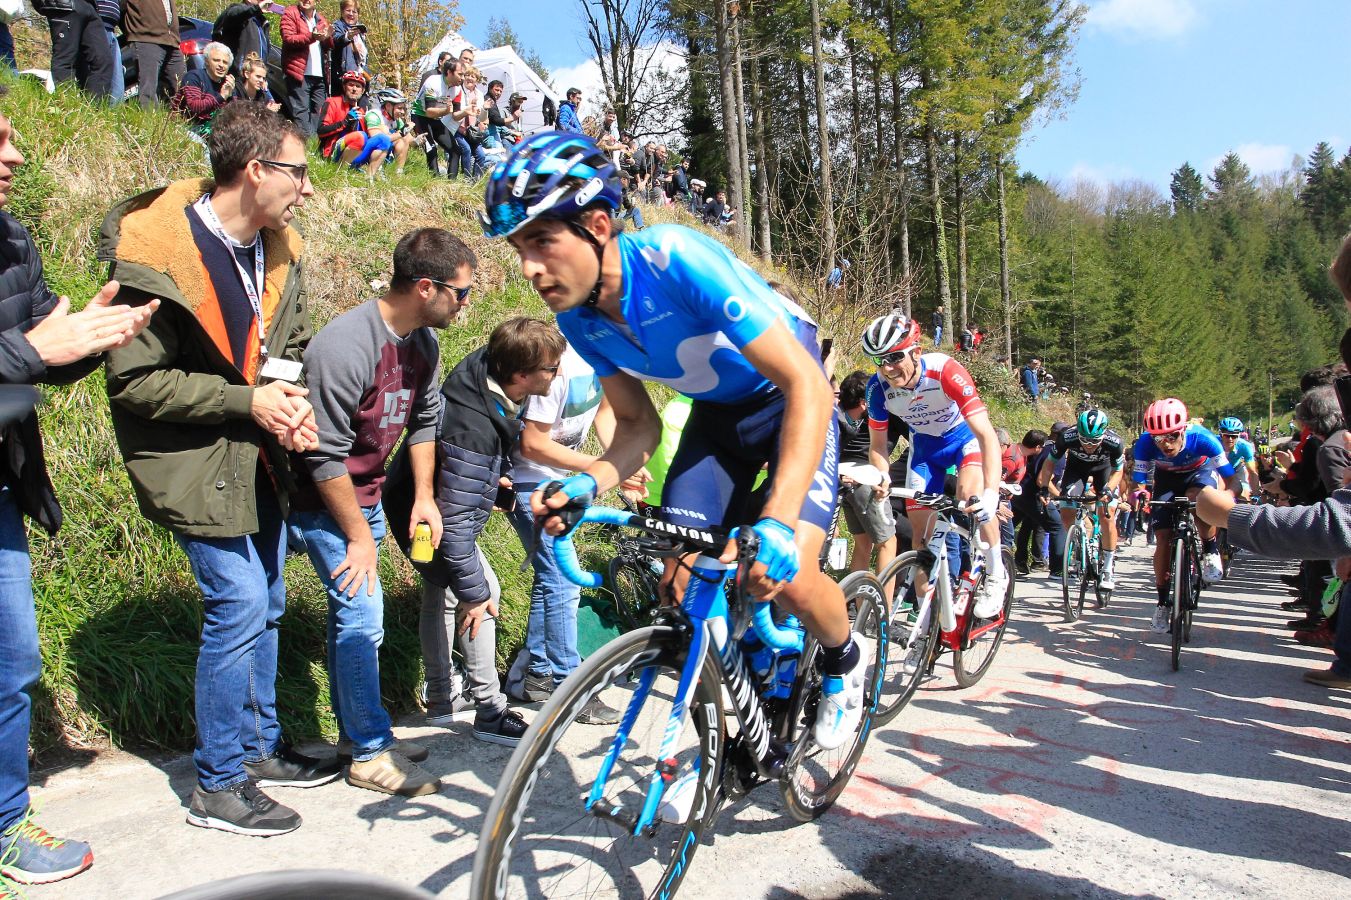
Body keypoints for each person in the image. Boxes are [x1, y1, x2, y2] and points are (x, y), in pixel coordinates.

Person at [481, 133, 866, 752]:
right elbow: (638, 426)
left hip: (792, 402)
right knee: (684, 579)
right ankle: (741, 696)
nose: (529, 267)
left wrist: (776, 519)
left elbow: (806, 385)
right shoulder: (577, 321)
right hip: (718, 419)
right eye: (520, 248)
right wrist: (590, 482)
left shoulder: (673, 258)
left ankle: (845, 661)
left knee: (788, 565)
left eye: (542, 241)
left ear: (598, 224)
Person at [103, 102, 333, 837]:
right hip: (195, 462)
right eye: (297, 172)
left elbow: (284, 345)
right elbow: (136, 383)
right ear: (254, 169)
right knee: (236, 604)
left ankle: (257, 749)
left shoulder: (279, 248)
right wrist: (249, 400)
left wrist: (286, 401)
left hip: (258, 454)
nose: (306, 187)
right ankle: (218, 783)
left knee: (265, 600)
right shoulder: (160, 255)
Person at [0, 89, 157, 888]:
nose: (15, 156)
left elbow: (40, 351)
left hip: (1, 487)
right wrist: (32, 350)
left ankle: (3, 824)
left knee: (11, 659)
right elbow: (22, 350)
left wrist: (93, 337)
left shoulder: (11, 238)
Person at [289, 228, 473, 797]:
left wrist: (422, 496)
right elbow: (322, 452)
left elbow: (422, 422)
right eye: (460, 294)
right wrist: (358, 535)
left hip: (363, 492)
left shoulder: (423, 345)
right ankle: (369, 753)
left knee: (357, 618)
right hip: (317, 499)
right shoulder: (347, 344)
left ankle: (358, 734)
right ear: (426, 287)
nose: (464, 305)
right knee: (363, 616)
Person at [385, 319, 546, 748]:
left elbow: (497, 445)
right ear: (521, 374)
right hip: (427, 514)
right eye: (549, 368)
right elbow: (454, 530)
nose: (557, 374)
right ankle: (489, 710)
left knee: (439, 591)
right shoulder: (471, 425)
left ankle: (440, 694)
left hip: (419, 500)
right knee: (480, 591)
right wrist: (476, 592)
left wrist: (499, 476)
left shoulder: (488, 376)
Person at [504, 340, 631, 721]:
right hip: (529, 483)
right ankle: (569, 686)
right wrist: (597, 466)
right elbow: (532, 444)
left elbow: (605, 415)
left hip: (560, 482)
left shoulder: (607, 358)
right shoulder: (561, 368)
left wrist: (619, 466)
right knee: (564, 581)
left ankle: (536, 677)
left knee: (551, 580)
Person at [861, 313, 1009, 613]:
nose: (887, 368)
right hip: (926, 452)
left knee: (972, 497)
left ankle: (995, 573)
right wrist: (881, 474)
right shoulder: (878, 389)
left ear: (916, 351)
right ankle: (925, 619)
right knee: (922, 540)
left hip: (963, 442)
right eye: (879, 361)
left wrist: (992, 493)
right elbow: (877, 446)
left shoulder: (945, 371)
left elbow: (985, 434)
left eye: (894, 357)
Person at [1125, 398, 1239, 633]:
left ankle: (1209, 549)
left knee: (1197, 498)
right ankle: (1163, 602)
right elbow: (1137, 484)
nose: (1166, 444)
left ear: (1184, 429)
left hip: (1199, 475)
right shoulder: (1145, 444)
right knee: (1164, 539)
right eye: (1159, 438)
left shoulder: (1203, 439)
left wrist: (1228, 496)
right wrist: (1141, 494)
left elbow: (1232, 480)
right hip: (1166, 481)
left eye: (1172, 436)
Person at [1037, 408, 1125, 590]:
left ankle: (1108, 567)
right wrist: (1045, 488)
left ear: (1103, 435)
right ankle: (1078, 545)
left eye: (1094, 441)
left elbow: (1118, 471)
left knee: (1106, 512)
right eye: (1084, 440)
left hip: (1103, 471)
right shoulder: (1067, 436)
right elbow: (1049, 463)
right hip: (1076, 471)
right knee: (1067, 510)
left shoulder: (1114, 442)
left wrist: (1109, 489)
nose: (1089, 445)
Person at [836, 370, 897, 574]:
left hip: (842, 478)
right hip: (865, 479)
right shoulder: (886, 409)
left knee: (863, 544)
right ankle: (882, 605)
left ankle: (856, 602)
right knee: (888, 543)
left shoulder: (845, 415)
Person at [32, 0, 114, 100]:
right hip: (65, 5)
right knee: (65, 58)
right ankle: (67, 105)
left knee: (102, 60)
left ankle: (95, 111)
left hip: (89, 5)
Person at [280, 0, 332, 138]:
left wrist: (327, 38)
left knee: (321, 113)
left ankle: (316, 148)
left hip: (319, 75)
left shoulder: (321, 19)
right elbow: (288, 38)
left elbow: (328, 46)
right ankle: (306, 148)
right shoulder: (290, 13)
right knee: (301, 112)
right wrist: (312, 36)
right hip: (298, 73)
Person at [124, 0, 183, 108]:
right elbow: (121, 7)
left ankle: (177, 122)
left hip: (172, 41)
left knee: (181, 89)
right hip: (146, 38)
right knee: (148, 89)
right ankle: (149, 122)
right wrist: (135, 30)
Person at [174, 42, 235, 136]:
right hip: (187, 127)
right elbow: (194, 107)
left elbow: (233, 114)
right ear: (206, 61)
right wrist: (221, 97)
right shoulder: (194, 77)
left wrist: (231, 97)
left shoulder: (227, 84)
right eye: (216, 60)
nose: (221, 65)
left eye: (225, 62)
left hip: (213, 130)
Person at [212, 0, 273, 82]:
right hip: (239, 77)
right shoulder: (236, 12)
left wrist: (263, 77)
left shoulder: (262, 22)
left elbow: (265, 52)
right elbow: (234, 14)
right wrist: (256, 9)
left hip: (256, 79)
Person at [328, 0, 367, 95]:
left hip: (360, 78)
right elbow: (336, 40)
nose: (351, 14)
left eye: (354, 12)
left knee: (360, 108)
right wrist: (347, 36)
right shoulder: (337, 26)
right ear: (342, 12)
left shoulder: (360, 32)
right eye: (348, 10)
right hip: (343, 80)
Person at [373, 89, 414, 175]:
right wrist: (401, 133)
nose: (402, 112)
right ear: (388, 106)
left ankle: (398, 172)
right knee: (384, 129)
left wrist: (417, 141)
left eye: (403, 108)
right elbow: (376, 139)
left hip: (385, 149)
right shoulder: (374, 115)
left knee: (404, 138)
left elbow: (408, 138)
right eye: (399, 108)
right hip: (370, 151)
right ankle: (377, 169)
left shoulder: (397, 120)